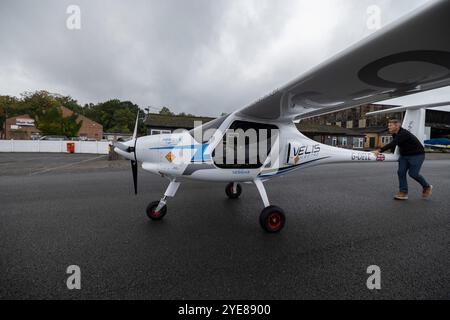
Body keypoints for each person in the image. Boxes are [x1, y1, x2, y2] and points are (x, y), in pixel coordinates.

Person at [372, 119, 433, 200]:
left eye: (390, 125)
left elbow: (393, 143)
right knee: (401, 172)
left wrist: (379, 150)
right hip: (404, 156)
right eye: (388, 125)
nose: (388, 127)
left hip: (417, 155)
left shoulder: (404, 133)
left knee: (413, 174)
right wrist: (392, 153)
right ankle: (403, 192)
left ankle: (427, 186)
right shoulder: (395, 134)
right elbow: (395, 144)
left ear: (397, 125)